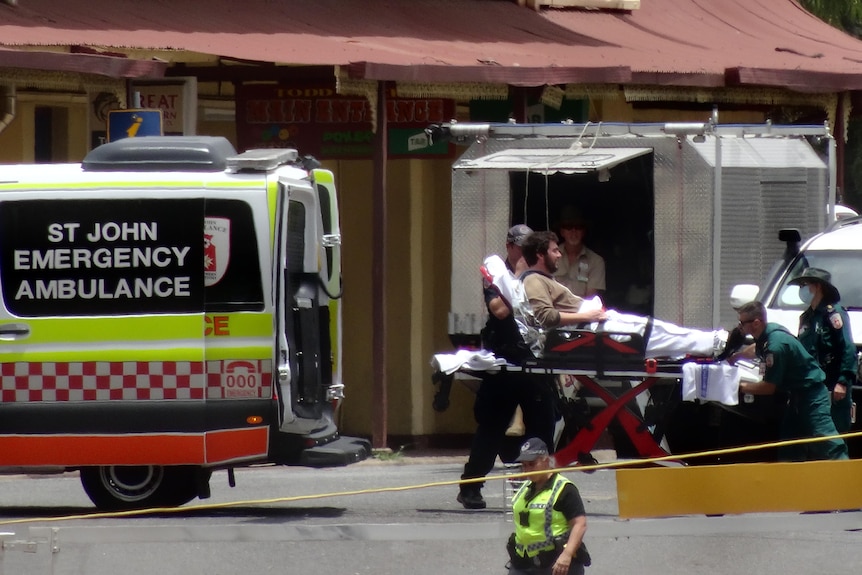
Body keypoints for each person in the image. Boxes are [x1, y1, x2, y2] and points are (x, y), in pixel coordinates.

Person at [458, 225, 557, 510]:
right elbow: (499, 310)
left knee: (543, 424)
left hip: (534, 361)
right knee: (491, 427)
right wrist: (518, 286)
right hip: (503, 363)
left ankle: (539, 486)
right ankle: (471, 487)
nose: (526, 253)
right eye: (522, 247)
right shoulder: (497, 275)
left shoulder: (537, 275)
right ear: (510, 247)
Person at [518, 231, 727, 359]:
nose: (559, 254)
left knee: (652, 329)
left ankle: (711, 342)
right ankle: (714, 342)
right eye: (554, 251)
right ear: (539, 255)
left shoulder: (544, 280)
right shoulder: (534, 280)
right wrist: (588, 316)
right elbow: (546, 317)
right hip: (589, 328)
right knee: (650, 331)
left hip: (592, 324)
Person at [735, 301, 848, 461]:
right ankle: (789, 481)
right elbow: (756, 348)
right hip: (796, 396)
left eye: (742, 323)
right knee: (790, 445)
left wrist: (738, 387)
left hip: (812, 396)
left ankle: (846, 476)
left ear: (756, 323)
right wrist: (736, 356)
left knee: (825, 439)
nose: (739, 326)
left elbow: (768, 387)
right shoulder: (768, 334)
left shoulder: (776, 345)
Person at [506, 437, 591, 575]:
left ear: (545, 460)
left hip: (555, 563)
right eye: (524, 465)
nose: (527, 469)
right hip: (522, 563)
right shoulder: (525, 488)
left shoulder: (564, 489)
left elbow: (580, 524)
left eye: (532, 464)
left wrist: (567, 554)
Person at [789, 268, 857, 433]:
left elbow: (848, 348)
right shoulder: (806, 318)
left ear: (817, 286)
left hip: (832, 386)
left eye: (804, 285)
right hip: (811, 387)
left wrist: (842, 381)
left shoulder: (833, 313)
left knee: (833, 435)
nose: (802, 290)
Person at [553, 207, 605, 299]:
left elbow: (590, 299)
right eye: (568, 227)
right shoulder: (549, 256)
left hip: (582, 311)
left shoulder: (596, 261)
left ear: (583, 232)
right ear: (562, 232)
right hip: (553, 310)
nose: (573, 232)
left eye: (578, 227)